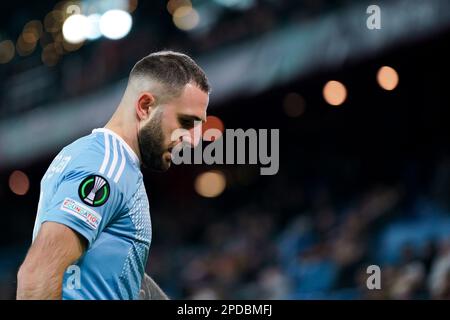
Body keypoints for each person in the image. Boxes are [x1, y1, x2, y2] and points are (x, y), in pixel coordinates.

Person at [16, 51, 210, 299]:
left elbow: (117, 277)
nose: (192, 140)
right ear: (145, 106)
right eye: (186, 122)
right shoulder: (106, 167)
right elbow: (37, 275)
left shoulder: (100, 159)